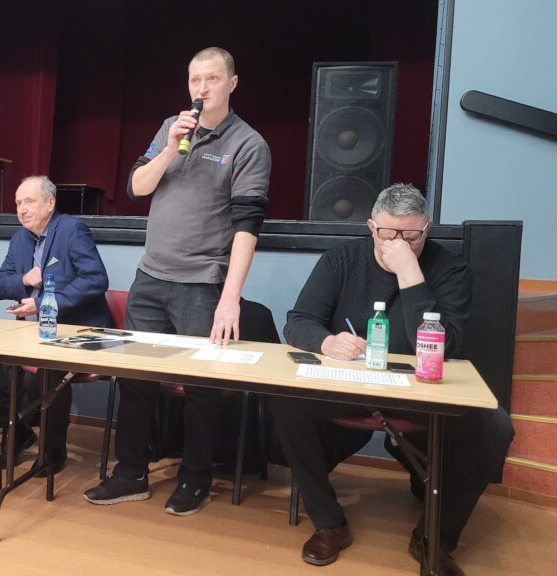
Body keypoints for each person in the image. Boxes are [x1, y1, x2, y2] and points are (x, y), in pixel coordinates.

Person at [271, 184, 513, 575]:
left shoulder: (449, 270)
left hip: (420, 392)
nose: (398, 243)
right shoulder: (341, 260)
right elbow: (298, 321)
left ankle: (435, 538)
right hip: (349, 385)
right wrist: (328, 341)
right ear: (371, 227)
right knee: (285, 400)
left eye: (411, 236)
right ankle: (328, 521)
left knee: (495, 427)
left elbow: (446, 345)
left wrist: (410, 274)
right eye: (388, 234)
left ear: (427, 229)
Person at [84, 47, 272, 516]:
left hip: (203, 282)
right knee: (136, 379)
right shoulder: (171, 127)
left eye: (212, 79)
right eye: (194, 80)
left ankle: (195, 477)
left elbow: (247, 227)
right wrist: (170, 146)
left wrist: (230, 298)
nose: (201, 88)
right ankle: (131, 473)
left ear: (232, 83)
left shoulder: (249, 144)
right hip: (150, 276)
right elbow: (137, 187)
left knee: (202, 387)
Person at [0, 175, 110, 474]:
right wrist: (24, 279)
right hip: (32, 331)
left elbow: (96, 279)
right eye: (18, 203)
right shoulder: (19, 239)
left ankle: (53, 449)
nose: (22, 209)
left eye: (29, 202)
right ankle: (18, 431)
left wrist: (45, 302)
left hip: (76, 329)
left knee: (45, 369)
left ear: (50, 203)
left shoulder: (71, 230)